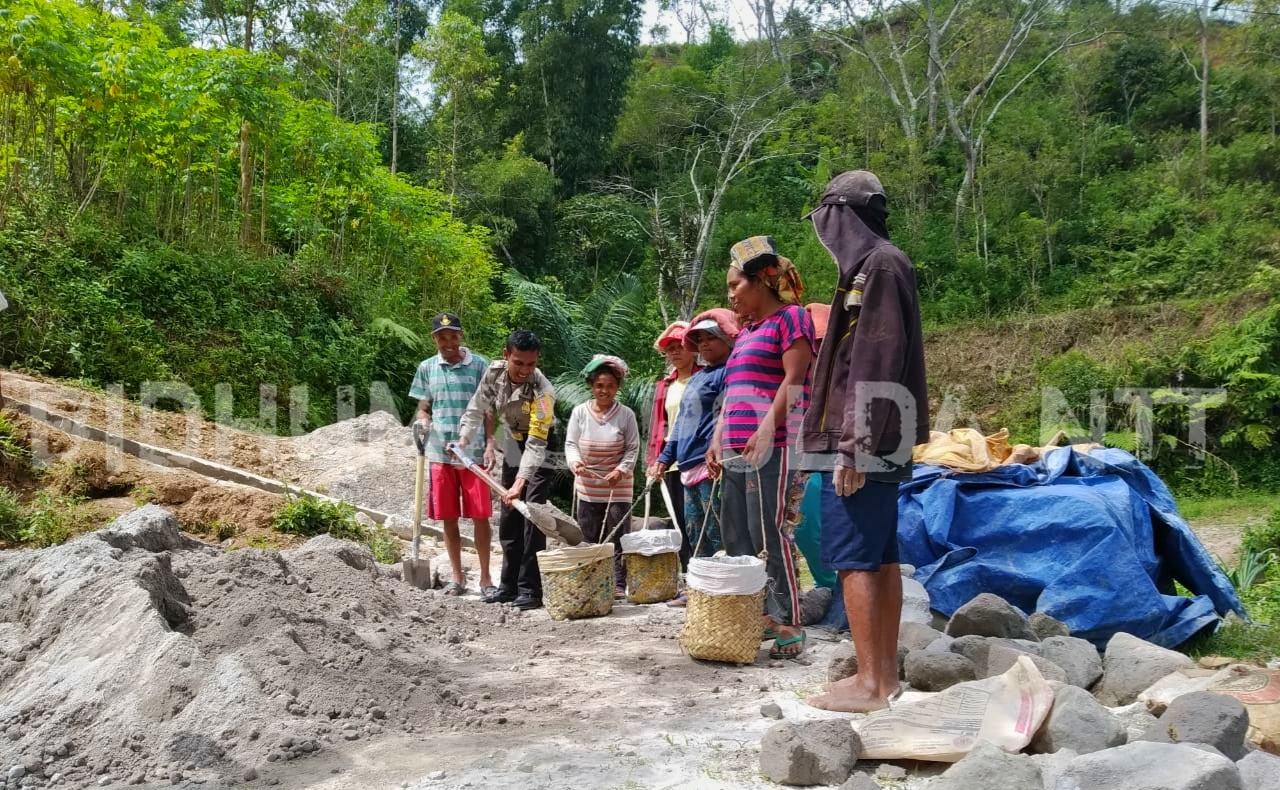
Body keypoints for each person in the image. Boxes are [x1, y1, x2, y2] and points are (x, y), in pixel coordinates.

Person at [800, 171, 929, 712]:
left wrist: (854, 444)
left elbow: (877, 354)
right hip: (877, 434)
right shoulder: (876, 266)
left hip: (865, 439)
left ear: (842, 216)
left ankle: (872, 684)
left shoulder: (877, 267)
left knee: (855, 559)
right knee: (879, 557)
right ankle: (884, 677)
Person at [708, 235, 815, 660]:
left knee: (772, 530)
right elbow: (732, 395)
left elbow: (795, 380)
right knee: (738, 535)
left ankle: (787, 620)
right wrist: (717, 440)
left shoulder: (791, 319)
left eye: (735, 285)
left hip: (776, 446)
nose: (730, 294)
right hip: (735, 450)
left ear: (761, 282)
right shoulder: (748, 333)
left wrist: (768, 429)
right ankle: (754, 615)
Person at [457, 330, 557, 611]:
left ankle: (530, 590)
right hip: (512, 442)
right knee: (509, 515)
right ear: (506, 356)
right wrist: (464, 437)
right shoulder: (493, 372)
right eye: (519, 363)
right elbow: (476, 408)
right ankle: (508, 587)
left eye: (531, 364)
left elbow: (537, 445)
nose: (525, 370)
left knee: (532, 513)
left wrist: (520, 483)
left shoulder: (544, 393)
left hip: (542, 447)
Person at [650, 308, 739, 608]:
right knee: (693, 530)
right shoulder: (695, 381)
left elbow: (727, 415)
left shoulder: (729, 372)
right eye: (698, 340)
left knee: (715, 530)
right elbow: (679, 426)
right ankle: (698, 588)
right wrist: (665, 456)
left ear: (728, 339)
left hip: (710, 464)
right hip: (686, 464)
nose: (704, 345)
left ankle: (721, 590)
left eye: (711, 338)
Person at [409, 313, 496, 598]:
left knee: (480, 515)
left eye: (453, 336)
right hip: (439, 453)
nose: (449, 342)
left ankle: (485, 579)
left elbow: (488, 409)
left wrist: (490, 443)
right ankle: (457, 579)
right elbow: (424, 406)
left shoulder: (479, 365)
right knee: (448, 517)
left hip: (472, 454)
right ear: (434, 339)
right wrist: (422, 419)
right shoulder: (427, 368)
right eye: (442, 337)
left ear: (461, 336)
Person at [564, 355, 640, 595]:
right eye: (599, 386)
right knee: (588, 535)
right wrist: (575, 463)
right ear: (591, 386)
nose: (604, 391)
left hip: (618, 486)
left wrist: (620, 470)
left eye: (609, 386)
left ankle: (617, 583)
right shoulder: (580, 412)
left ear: (617, 387)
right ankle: (591, 581)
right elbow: (570, 443)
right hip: (588, 485)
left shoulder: (626, 414)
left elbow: (633, 447)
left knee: (618, 535)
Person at [645, 321, 700, 568]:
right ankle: (687, 573)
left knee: (698, 519)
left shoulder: (704, 378)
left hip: (699, 459)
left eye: (680, 346)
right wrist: (654, 460)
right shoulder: (665, 386)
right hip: (672, 461)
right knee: (679, 518)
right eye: (670, 349)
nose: (675, 352)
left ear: (693, 348)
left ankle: (704, 571)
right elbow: (659, 426)